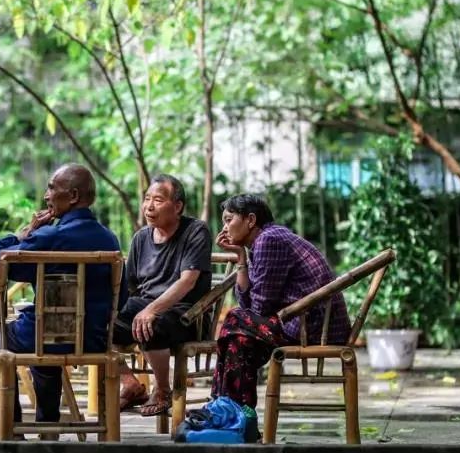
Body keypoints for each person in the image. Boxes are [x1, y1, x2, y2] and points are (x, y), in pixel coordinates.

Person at [0, 164, 126, 435]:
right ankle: (48, 425)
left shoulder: (50, 236)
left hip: (46, 336)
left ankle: (12, 428)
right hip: (94, 339)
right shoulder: (110, 239)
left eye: (51, 188)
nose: (46, 196)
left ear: (72, 196)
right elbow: (123, 295)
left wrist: (20, 236)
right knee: (45, 338)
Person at [211, 194, 350, 407]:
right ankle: (237, 415)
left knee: (234, 319)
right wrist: (240, 257)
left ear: (250, 220)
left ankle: (228, 410)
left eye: (229, 220)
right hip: (298, 322)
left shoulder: (269, 240)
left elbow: (257, 307)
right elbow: (250, 306)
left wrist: (247, 308)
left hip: (312, 326)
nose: (225, 228)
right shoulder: (262, 242)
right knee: (239, 342)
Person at [114, 174, 213, 417]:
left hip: (187, 313)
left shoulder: (195, 231)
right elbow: (131, 286)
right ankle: (130, 384)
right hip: (145, 308)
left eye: (158, 200)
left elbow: (188, 281)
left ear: (177, 206)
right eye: (147, 199)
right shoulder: (140, 238)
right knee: (96, 326)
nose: (149, 206)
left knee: (151, 325)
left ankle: (162, 389)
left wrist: (151, 310)